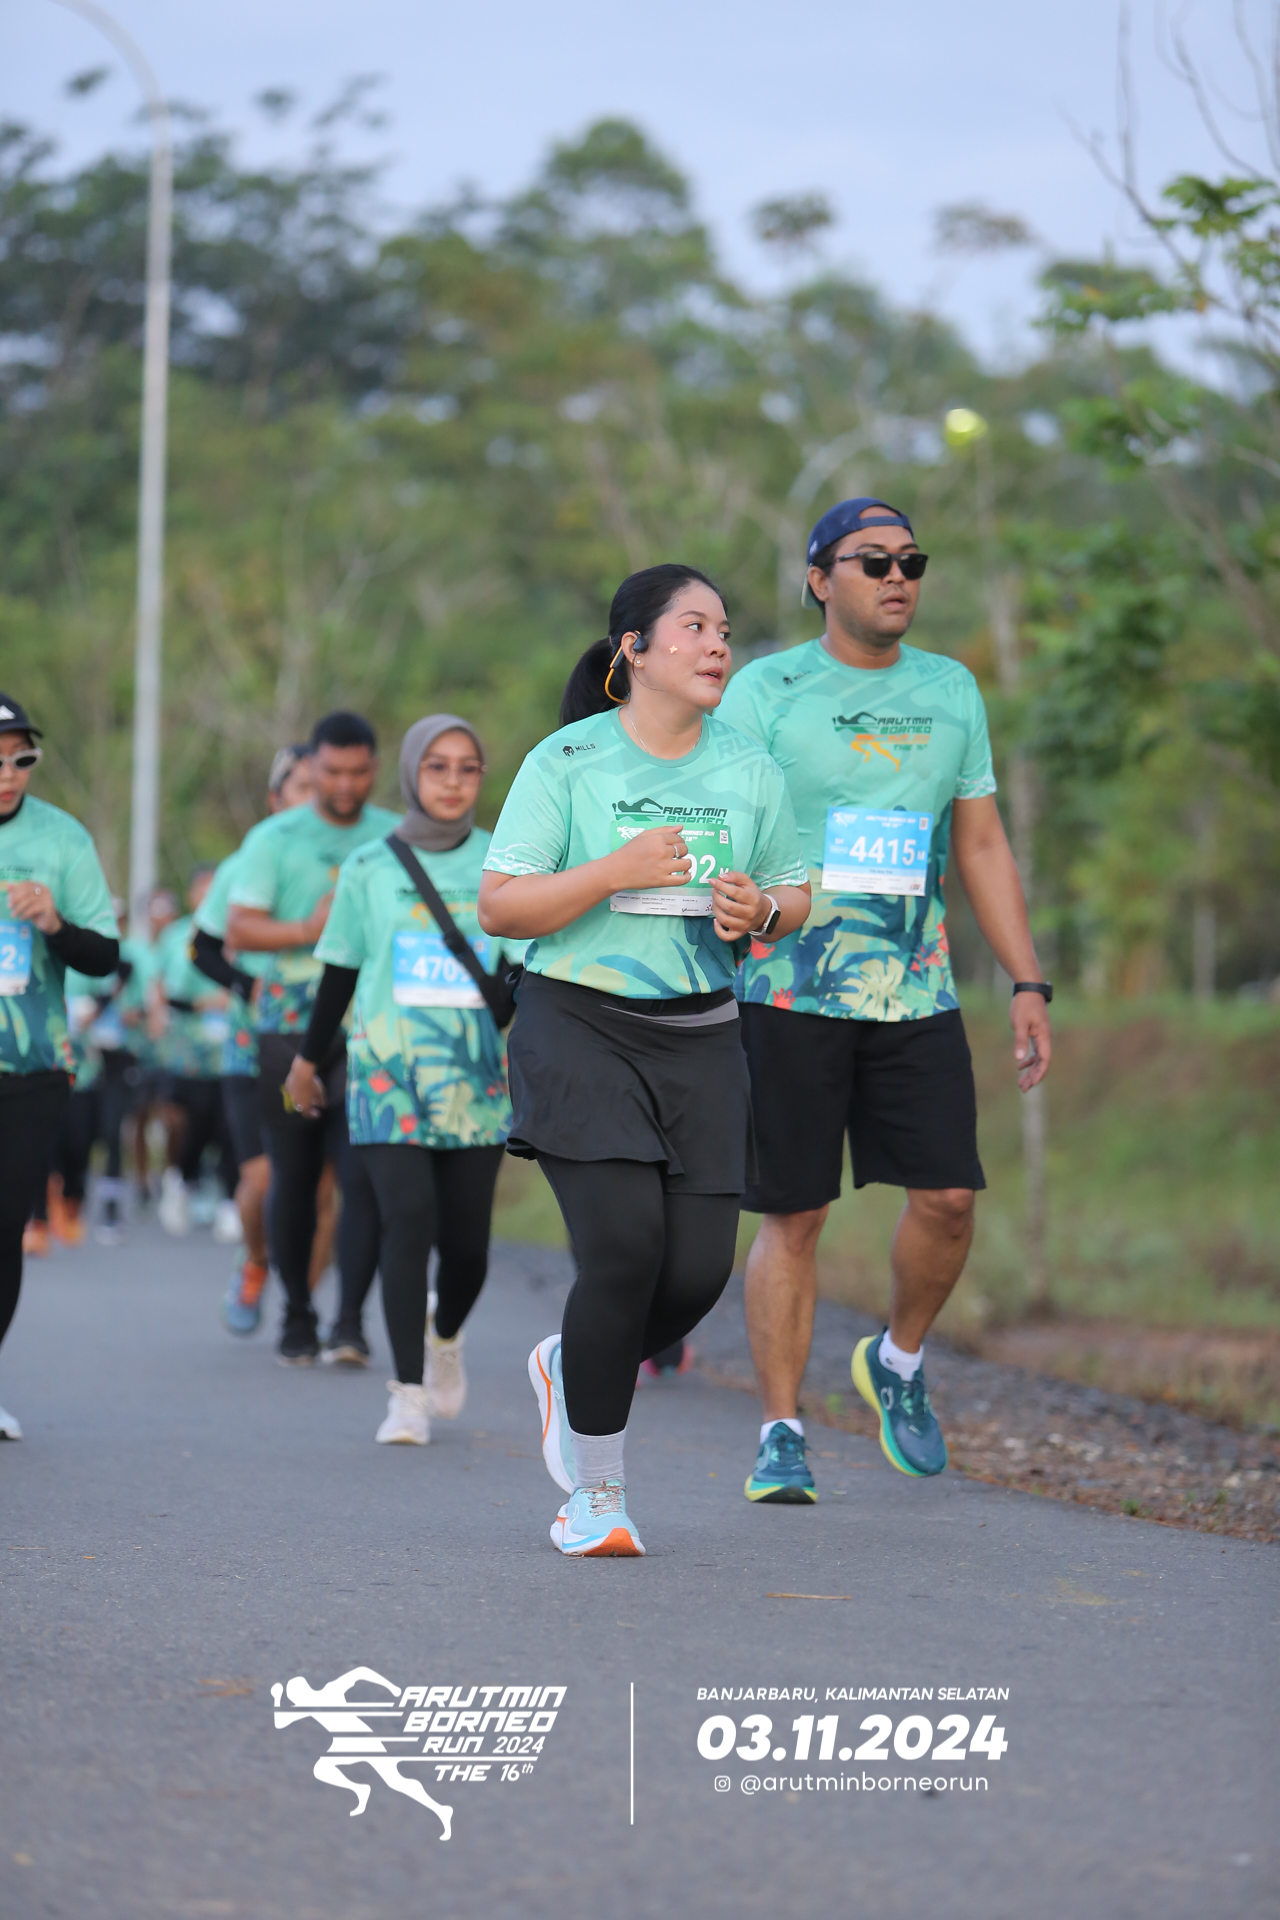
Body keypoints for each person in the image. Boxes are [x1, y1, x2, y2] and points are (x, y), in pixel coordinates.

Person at [719, 497, 1053, 1501]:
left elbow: (979, 843)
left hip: (914, 989)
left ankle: (896, 1360)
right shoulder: (765, 689)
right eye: (872, 561)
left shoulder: (950, 690)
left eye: (910, 560)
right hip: (786, 989)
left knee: (948, 1200)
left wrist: (1027, 980)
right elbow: (718, 822)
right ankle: (781, 1431)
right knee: (795, 1214)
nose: (897, 576)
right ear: (820, 580)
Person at [478, 565, 810, 1556]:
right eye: (694, 627)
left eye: (724, 629)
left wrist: (762, 909)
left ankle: (569, 1360)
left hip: (701, 1035)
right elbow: (500, 906)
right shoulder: (567, 760)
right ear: (634, 648)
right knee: (622, 1251)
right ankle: (597, 1497)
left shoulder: (750, 768)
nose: (717, 645)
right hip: (577, 1024)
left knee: (696, 1274)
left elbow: (794, 895)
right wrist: (613, 870)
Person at [285, 715, 521, 1445]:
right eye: (437, 767)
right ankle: (407, 1394)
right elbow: (341, 972)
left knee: (468, 1249)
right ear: (412, 773)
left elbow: (524, 974)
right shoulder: (369, 866)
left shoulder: (506, 861)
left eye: (468, 768)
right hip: (385, 1075)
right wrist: (306, 1059)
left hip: (476, 1083)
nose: (453, 781)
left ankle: (444, 1335)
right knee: (407, 1220)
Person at [227, 712, 399, 1366]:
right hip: (289, 1030)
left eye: (358, 772)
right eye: (332, 772)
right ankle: (296, 1310)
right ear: (313, 768)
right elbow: (239, 930)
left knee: (362, 1178)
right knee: (295, 1178)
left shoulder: (393, 836)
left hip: (371, 1026)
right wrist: (309, 928)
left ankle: (349, 1321)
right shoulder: (274, 838)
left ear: (375, 769)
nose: (345, 784)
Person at [0, 693, 118, 1440]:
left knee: (4, 1227)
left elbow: (105, 957)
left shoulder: (62, 837)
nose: (8, 774)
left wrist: (53, 923)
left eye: (22, 759)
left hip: (32, 1066)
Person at [191, 744, 325, 1333]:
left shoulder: (355, 860)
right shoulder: (249, 861)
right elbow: (201, 948)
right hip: (254, 1051)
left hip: (329, 1046)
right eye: (302, 787)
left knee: (322, 1190)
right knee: (265, 1180)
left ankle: (303, 1311)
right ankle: (256, 1261)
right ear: (276, 799)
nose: (315, 798)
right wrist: (250, 986)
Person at [150, 868, 240, 1238]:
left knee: (229, 1124)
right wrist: (159, 1015)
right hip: (186, 1046)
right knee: (187, 1119)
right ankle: (180, 1180)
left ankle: (230, 1200)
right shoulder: (175, 936)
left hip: (230, 1046)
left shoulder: (239, 932)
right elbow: (161, 986)